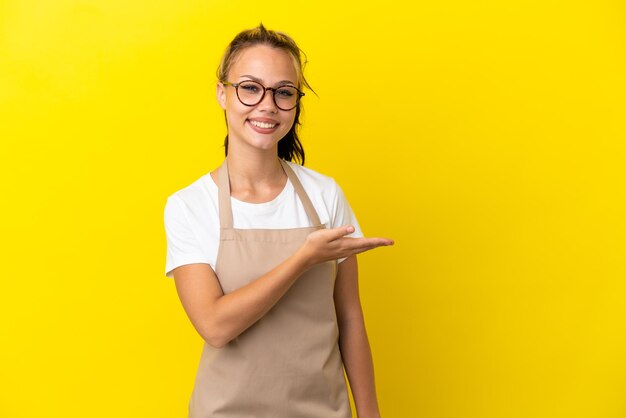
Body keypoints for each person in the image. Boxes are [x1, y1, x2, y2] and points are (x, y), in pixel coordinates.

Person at [163, 23, 394, 418]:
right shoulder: (189, 206)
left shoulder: (325, 195)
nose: (267, 105)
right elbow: (215, 325)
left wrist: (370, 412)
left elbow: (350, 317)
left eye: (283, 92)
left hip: (323, 410)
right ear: (222, 93)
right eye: (250, 88)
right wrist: (303, 258)